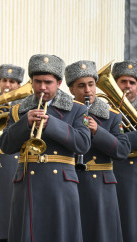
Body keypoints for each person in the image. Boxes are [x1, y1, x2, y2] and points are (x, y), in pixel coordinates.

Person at [0, 54, 91, 242]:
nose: (42, 87)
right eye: (37, 81)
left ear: (59, 83)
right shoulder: (18, 109)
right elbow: (6, 146)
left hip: (61, 187)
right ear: (31, 82)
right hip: (27, 185)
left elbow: (83, 144)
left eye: (48, 82)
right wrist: (25, 123)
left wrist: (53, 124)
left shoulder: (77, 109)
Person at [66, 60, 129, 242]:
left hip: (101, 187)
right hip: (72, 183)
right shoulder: (64, 114)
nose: (88, 91)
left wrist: (97, 131)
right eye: (81, 86)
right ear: (71, 90)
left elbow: (122, 151)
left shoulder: (113, 115)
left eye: (91, 84)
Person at [0, 64, 25, 242]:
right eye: (4, 80)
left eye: (12, 82)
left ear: (19, 85)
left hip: (14, 160)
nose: (7, 85)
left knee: (12, 207)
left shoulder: (25, 105)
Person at [112, 61, 137, 242]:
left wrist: (117, 142)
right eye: (123, 81)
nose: (127, 86)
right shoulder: (105, 109)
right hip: (112, 172)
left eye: (132, 82)